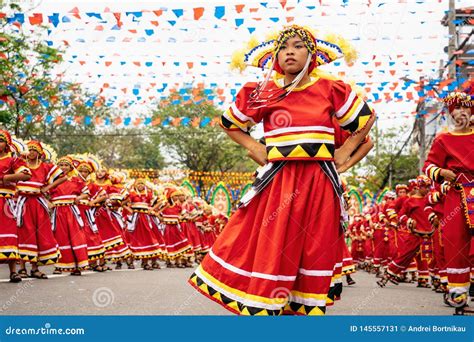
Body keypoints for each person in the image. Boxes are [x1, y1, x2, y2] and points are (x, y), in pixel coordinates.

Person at [189, 24, 375, 315]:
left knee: (313, 246)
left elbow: (365, 120)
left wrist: (345, 152)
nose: (290, 51)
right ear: (276, 56)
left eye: (299, 46)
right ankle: (266, 307)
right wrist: (255, 147)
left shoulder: (330, 88)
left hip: (319, 181)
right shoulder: (265, 92)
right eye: (284, 47)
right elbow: (230, 123)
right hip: (279, 181)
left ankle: (301, 313)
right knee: (271, 243)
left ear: (312, 55)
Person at [422, 86, 473, 313]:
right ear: (451, 114)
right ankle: (458, 295)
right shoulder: (443, 140)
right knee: (456, 242)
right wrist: (442, 173)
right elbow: (428, 166)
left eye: (465, 108)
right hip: (456, 194)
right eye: (456, 109)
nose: (461, 112)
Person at [17, 141, 65, 279]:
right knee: (23, 233)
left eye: (34, 150)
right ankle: (21, 268)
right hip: (22, 203)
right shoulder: (19, 165)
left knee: (39, 233)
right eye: (30, 150)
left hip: (38, 203)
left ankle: (34, 268)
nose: (31, 152)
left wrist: (47, 188)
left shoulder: (45, 167)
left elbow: (63, 177)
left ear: (39, 153)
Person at [0, 130, 31, 282]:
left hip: (6, 203)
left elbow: (26, 174)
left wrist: (5, 178)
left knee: (9, 235)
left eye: (0, 140)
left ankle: (13, 271)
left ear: (7, 144)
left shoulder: (12, 160)